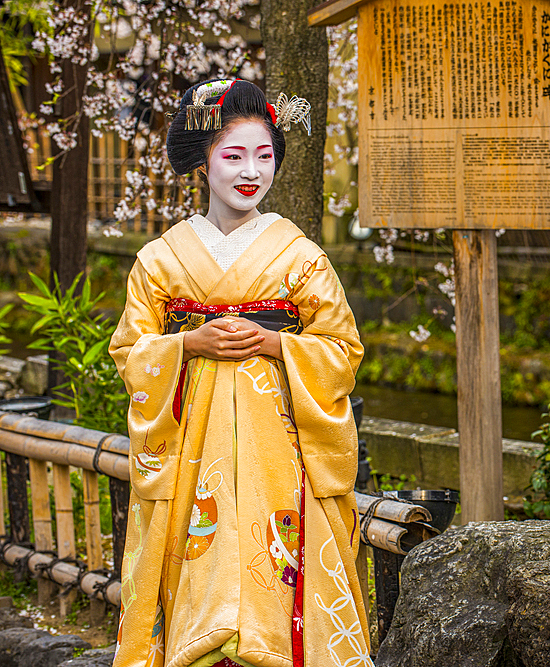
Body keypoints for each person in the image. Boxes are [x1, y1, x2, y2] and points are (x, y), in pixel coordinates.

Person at [110, 78, 372, 667]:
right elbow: (131, 351)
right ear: (203, 162)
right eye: (233, 155)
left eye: (264, 154)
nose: (250, 170)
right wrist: (188, 343)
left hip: (277, 450)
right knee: (197, 562)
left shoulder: (301, 256)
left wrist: (278, 344)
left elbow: (343, 348)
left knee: (275, 574)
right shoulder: (160, 259)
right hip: (191, 448)